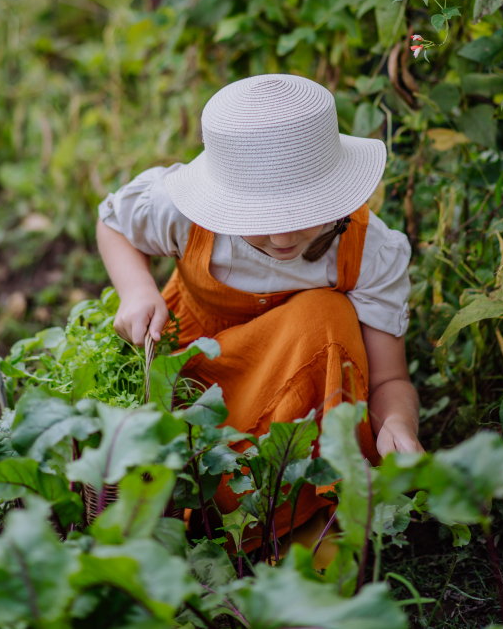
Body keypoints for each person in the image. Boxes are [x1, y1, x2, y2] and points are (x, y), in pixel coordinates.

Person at [96, 73, 422, 542]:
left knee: (326, 315)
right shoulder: (184, 216)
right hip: (201, 387)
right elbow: (113, 223)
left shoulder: (367, 251)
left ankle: (307, 508)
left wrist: (397, 423)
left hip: (301, 405)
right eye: (260, 218)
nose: (283, 238)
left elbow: (391, 379)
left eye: (301, 213)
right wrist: (136, 290)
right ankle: (208, 509)